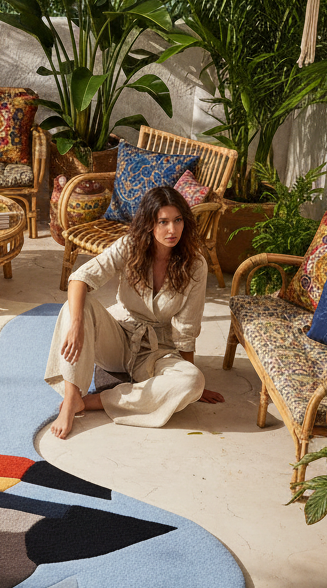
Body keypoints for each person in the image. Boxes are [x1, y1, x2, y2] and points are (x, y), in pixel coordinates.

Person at [45, 185, 224, 439]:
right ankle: (73, 396)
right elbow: (81, 278)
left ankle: (95, 401)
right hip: (117, 336)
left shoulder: (195, 265)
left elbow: (186, 329)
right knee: (77, 306)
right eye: (163, 222)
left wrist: (194, 387)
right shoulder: (130, 246)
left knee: (192, 380)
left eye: (177, 221)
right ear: (150, 223)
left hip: (157, 349)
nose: (172, 230)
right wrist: (76, 324)